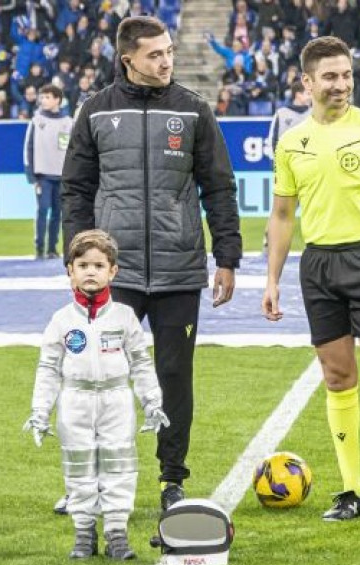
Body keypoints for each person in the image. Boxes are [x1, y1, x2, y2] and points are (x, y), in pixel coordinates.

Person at [62, 16, 242, 512]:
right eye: (155, 54)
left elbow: (219, 188)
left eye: (168, 52)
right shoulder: (95, 112)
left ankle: (172, 478)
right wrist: (77, 258)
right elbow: (75, 190)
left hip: (179, 269)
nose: (167, 61)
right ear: (128, 60)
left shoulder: (194, 110)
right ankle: (90, 479)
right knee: (97, 378)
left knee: (173, 377)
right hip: (112, 273)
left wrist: (226, 258)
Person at [262, 36, 360, 525]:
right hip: (320, 266)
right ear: (307, 82)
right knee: (336, 378)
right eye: (330, 76)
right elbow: (283, 216)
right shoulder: (291, 143)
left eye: (346, 75)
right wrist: (272, 279)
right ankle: (351, 491)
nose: (342, 84)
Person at [23, 230, 169, 559]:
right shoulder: (61, 321)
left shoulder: (125, 317)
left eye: (99, 265)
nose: (91, 271)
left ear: (112, 272)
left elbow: (142, 363)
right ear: (70, 271)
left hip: (117, 400)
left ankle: (117, 534)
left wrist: (152, 402)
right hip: (74, 402)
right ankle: (84, 533)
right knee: (79, 466)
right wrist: (40, 411)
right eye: (83, 264)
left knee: (119, 465)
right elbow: (47, 368)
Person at [23, 84, 74, 260]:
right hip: (42, 176)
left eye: (47, 97)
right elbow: (28, 148)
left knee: (58, 214)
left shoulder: (68, 122)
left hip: (61, 177)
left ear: (57, 100)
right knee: (43, 210)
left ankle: (53, 249)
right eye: (42, 97)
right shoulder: (37, 121)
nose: (43, 100)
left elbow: (72, 151)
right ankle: (39, 248)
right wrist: (31, 174)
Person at [264, 79, 312, 253]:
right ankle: (269, 241)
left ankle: (315, 242)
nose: (310, 95)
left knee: (313, 206)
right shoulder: (282, 114)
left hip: (309, 170)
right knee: (282, 209)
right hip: (287, 170)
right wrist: (278, 167)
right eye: (307, 92)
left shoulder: (314, 113)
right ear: (298, 94)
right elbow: (272, 141)